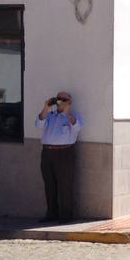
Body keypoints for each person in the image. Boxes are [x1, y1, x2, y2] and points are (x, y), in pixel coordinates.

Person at [35, 90, 82, 222]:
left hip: (65, 153)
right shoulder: (50, 115)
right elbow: (39, 124)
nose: (60, 101)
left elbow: (77, 127)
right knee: (49, 184)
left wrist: (67, 112)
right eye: (58, 98)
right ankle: (51, 214)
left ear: (69, 102)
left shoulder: (73, 116)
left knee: (65, 185)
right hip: (47, 153)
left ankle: (66, 216)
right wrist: (46, 106)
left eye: (63, 99)